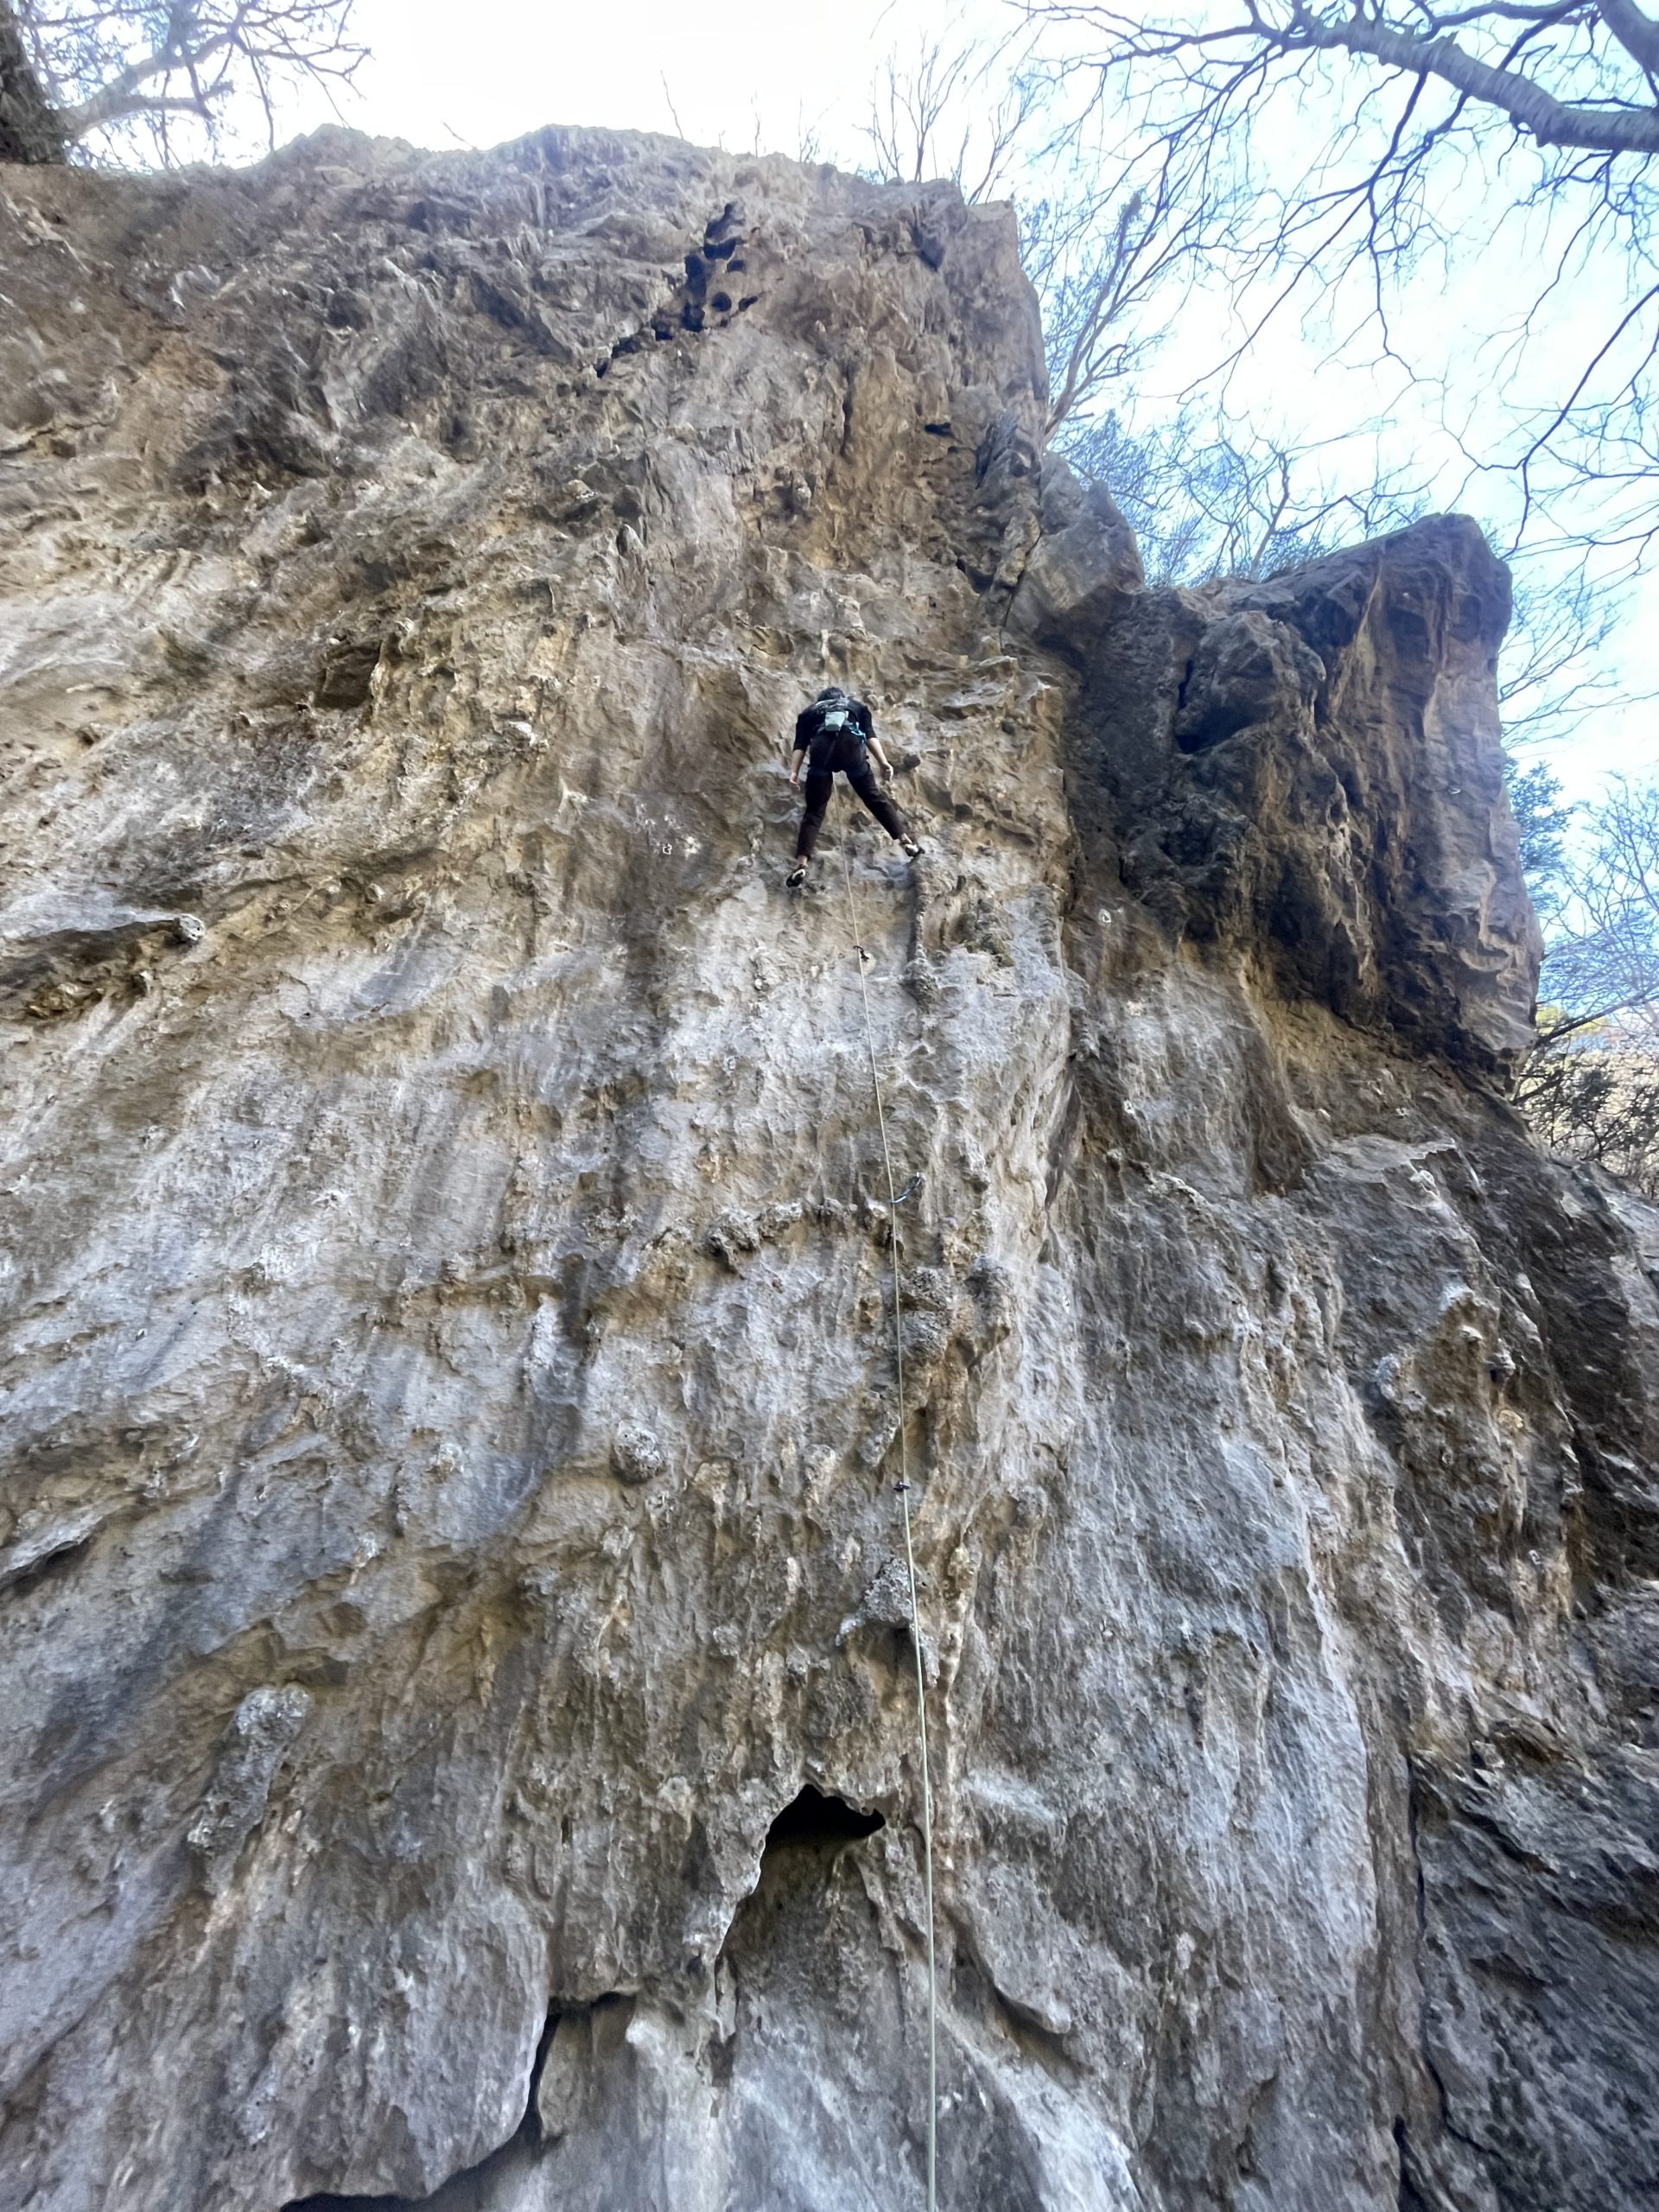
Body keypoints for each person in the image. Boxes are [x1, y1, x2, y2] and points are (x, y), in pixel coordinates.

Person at [786, 685, 922, 888]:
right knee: (873, 798)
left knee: (814, 811)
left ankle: (801, 865)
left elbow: (800, 745)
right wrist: (883, 762)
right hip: (851, 748)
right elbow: (869, 735)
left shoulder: (809, 712)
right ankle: (906, 842)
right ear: (841, 698)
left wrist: (794, 773)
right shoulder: (855, 705)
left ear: (820, 701)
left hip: (821, 751)